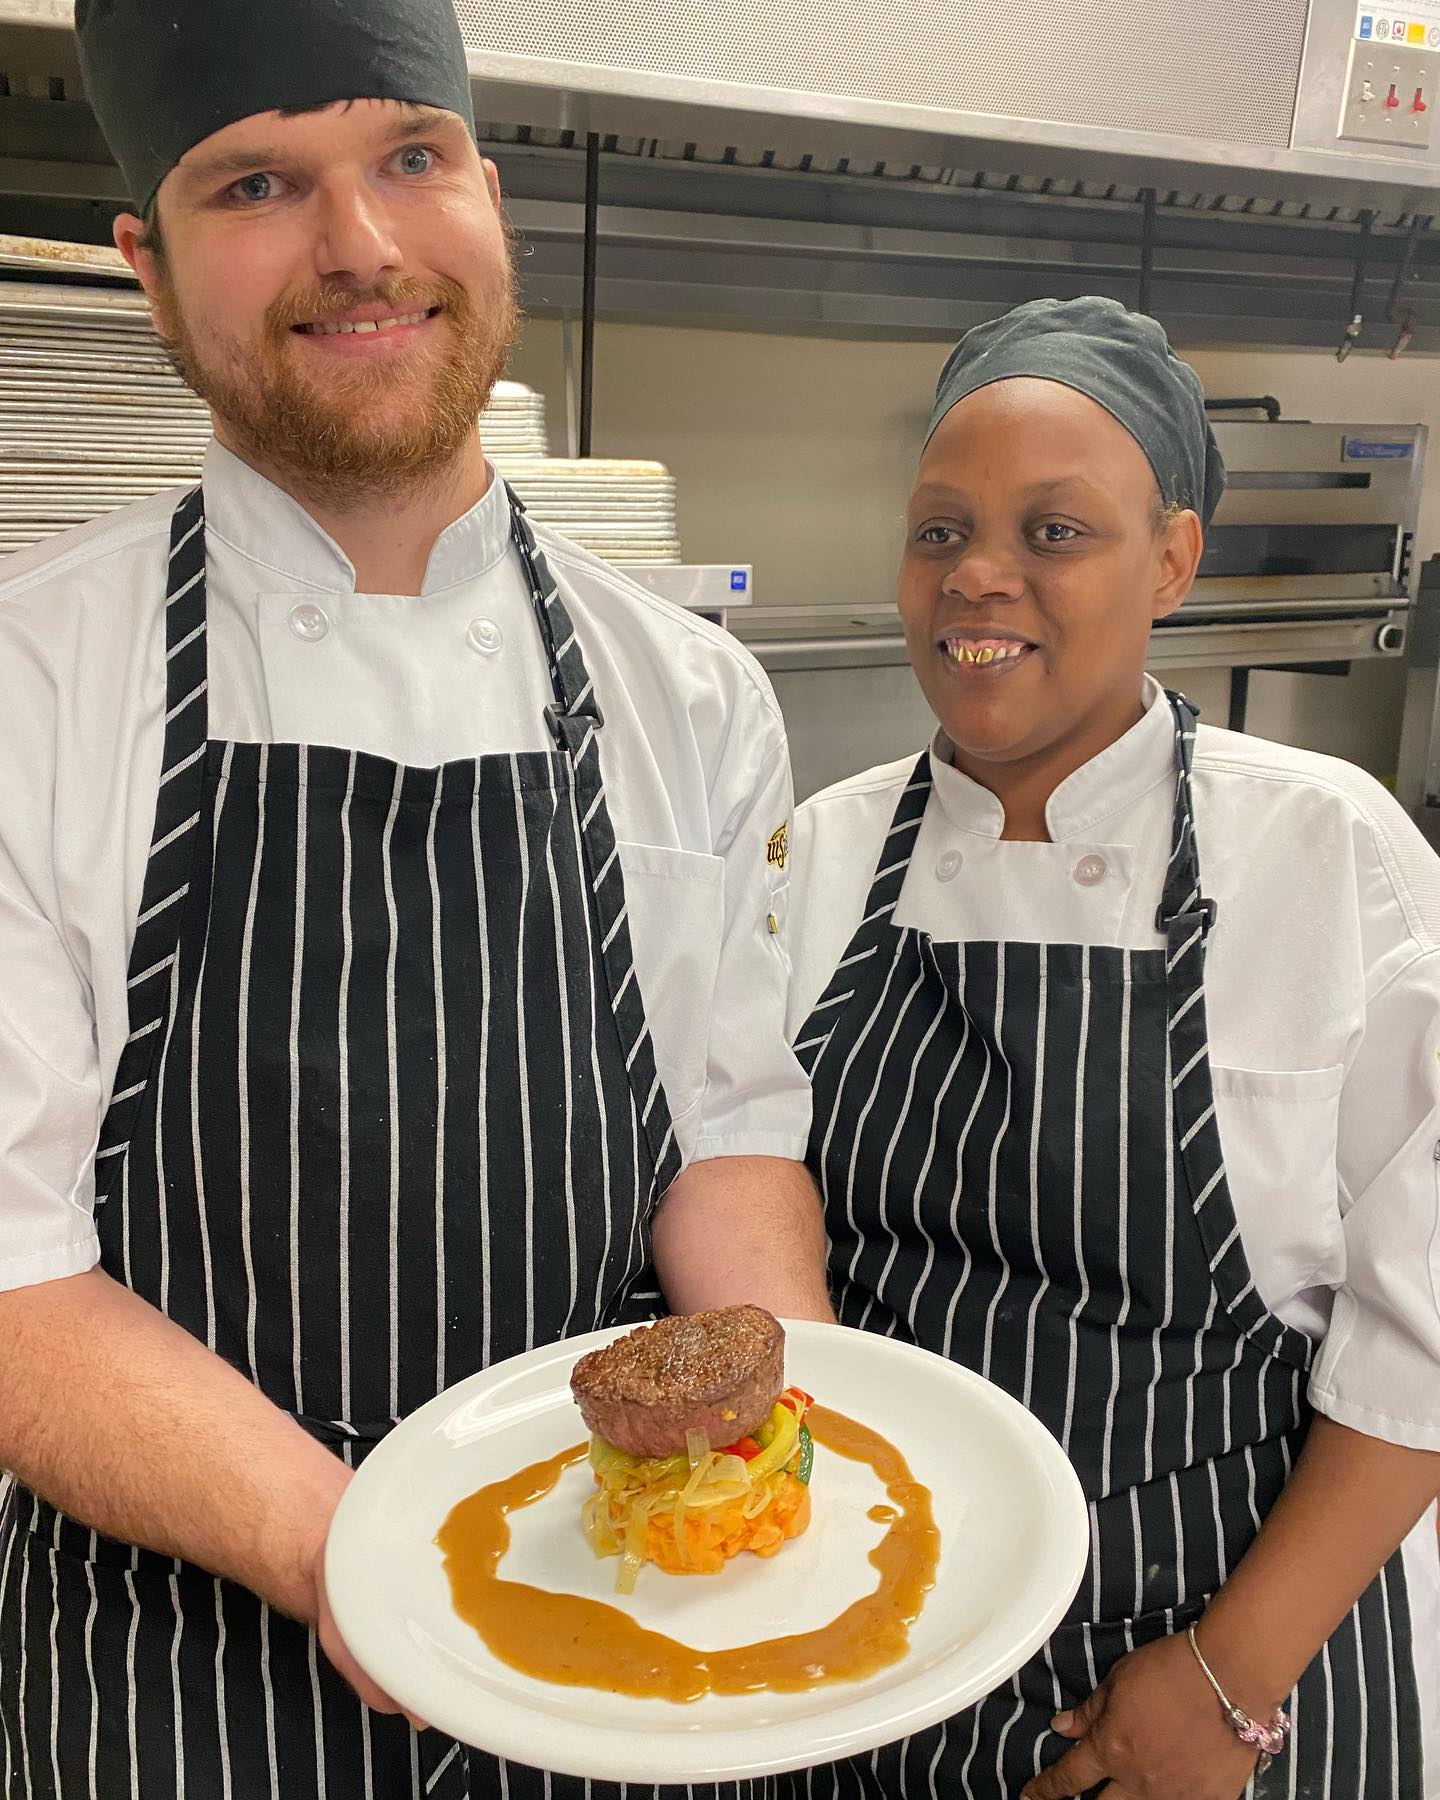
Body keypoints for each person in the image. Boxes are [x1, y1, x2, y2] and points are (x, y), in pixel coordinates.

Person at [0, 1, 832, 1793]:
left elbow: (725, 1138)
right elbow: (13, 1282)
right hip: (177, 1658)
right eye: (259, 183)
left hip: (621, 1614)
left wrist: (777, 1461)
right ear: (146, 262)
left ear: (486, 189)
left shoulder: (691, 691)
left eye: (409, 156)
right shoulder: (27, 683)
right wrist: (367, 1560)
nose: (361, 244)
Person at [784, 296, 1440, 1798]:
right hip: (867, 1656)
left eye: (1055, 531)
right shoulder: (813, 859)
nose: (979, 577)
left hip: (1233, 1673)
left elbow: (1426, 1329)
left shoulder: (1330, 854)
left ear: (1174, 559)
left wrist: (1227, 1681)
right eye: (939, 529)